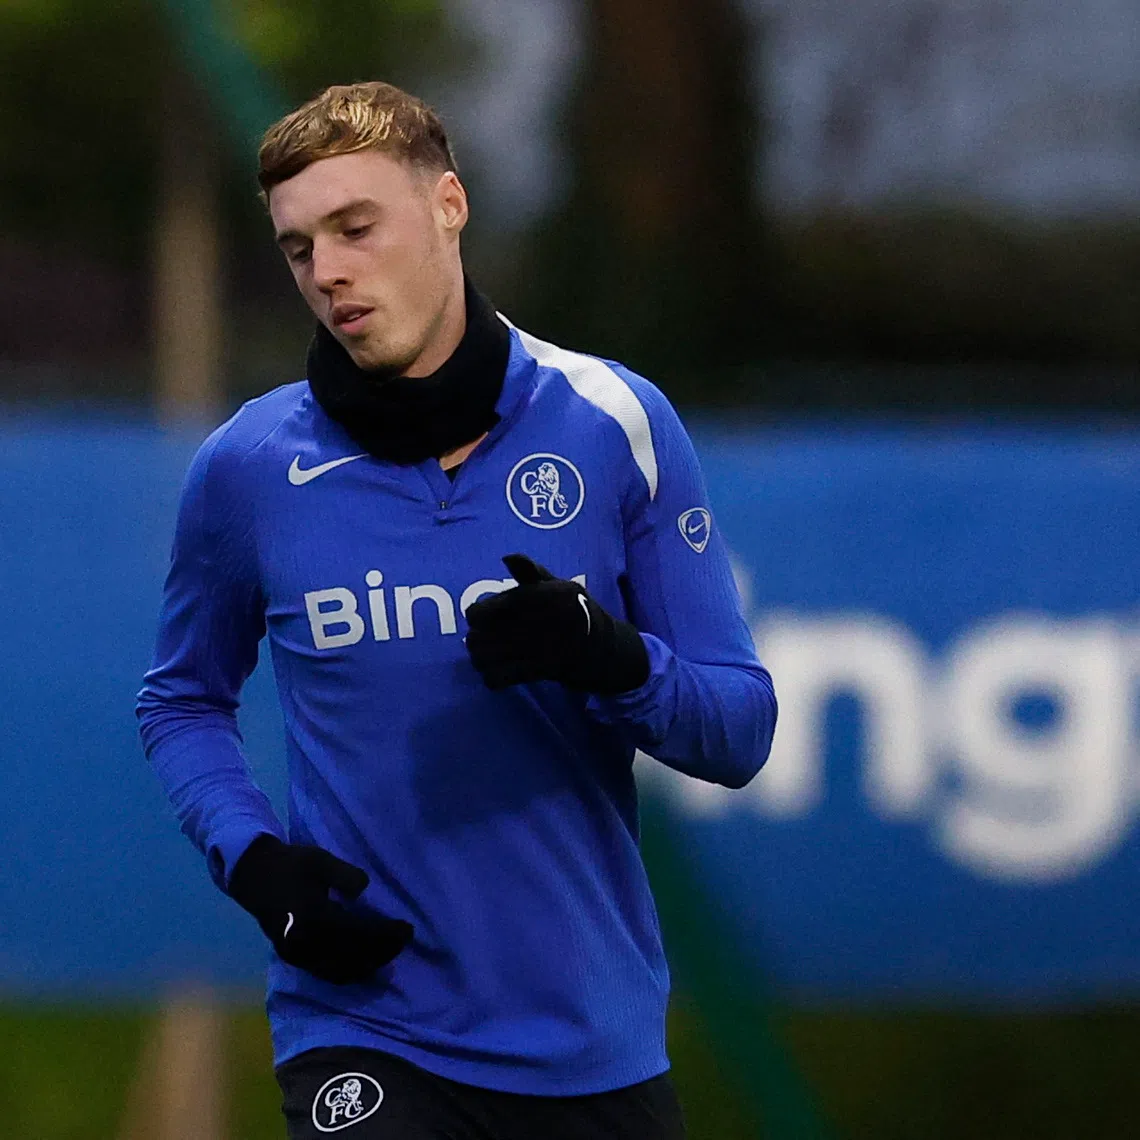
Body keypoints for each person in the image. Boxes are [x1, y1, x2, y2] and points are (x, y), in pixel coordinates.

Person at [137, 81, 777, 1140]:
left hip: (591, 1044)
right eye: (300, 250)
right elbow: (181, 702)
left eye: (355, 228)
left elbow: (741, 730)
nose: (330, 271)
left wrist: (610, 659)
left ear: (448, 205)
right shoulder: (248, 466)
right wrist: (252, 860)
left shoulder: (614, 421)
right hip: (365, 1029)